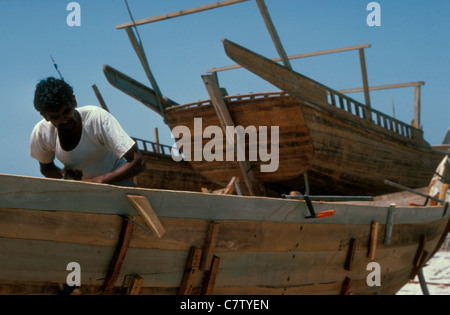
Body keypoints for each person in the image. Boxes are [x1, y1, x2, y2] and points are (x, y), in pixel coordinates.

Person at [30, 77, 144, 186]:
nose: (64, 120)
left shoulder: (97, 118)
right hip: (84, 186)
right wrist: (62, 173)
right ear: (45, 116)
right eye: (56, 117)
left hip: (118, 179)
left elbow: (138, 162)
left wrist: (99, 181)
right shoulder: (41, 133)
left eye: (66, 111)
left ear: (74, 101)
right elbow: (46, 169)